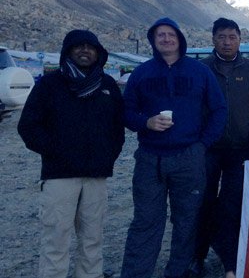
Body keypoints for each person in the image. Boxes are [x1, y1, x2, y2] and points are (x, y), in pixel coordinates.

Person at [120, 17, 227, 278]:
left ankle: (177, 272)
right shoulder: (142, 73)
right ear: (153, 41)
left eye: (171, 35)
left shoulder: (199, 72)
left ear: (180, 39)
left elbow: (219, 109)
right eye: (160, 35)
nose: (166, 39)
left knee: (187, 221)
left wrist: (202, 145)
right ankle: (136, 273)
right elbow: (126, 112)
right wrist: (146, 122)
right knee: (146, 221)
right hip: (149, 158)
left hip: (188, 156)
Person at [18, 30, 124, 278]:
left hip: (96, 175)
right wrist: (57, 152)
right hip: (60, 175)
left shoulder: (106, 85)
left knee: (93, 236)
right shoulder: (49, 85)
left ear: (98, 52)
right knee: (56, 237)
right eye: (78, 46)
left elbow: (117, 128)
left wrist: (107, 156)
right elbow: (28, 126)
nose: (85, 50)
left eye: (90, 46)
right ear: (67, 51)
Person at [190, 18, 249, 278]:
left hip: (240, 150)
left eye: (232, 37)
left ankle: (231, 258)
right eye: (222, 37)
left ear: (239, 39)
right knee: (202, 202)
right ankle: (196, 257)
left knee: (234, 205)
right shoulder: (201, 69)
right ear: (213, 39)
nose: (227, 41)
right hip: (208, 148)